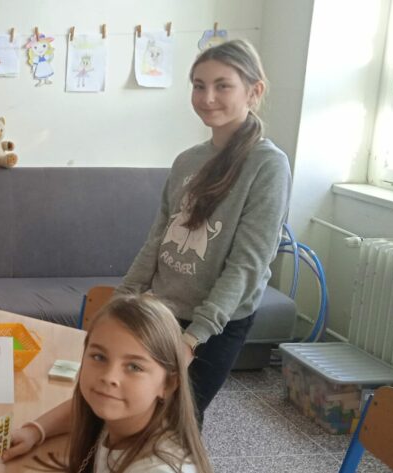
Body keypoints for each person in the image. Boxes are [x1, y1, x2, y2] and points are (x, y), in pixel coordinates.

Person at [119, 39, 291, 420]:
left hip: (215, 324)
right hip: (163, 310)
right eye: (199, 85)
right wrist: (123, 298)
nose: (207, 97)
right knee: (137, 412)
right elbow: (157, 241)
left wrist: (193, 337)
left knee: (177, 423)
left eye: (222, 85)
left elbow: (247, 265)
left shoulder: (268, 165)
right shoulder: (187, 161)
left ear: (254, 91)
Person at [0, 294, 212, 473]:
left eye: (134, 367)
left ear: (168, 384)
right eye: (99, 357)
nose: (109, 377)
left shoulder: (159, 468)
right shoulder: (124, 415)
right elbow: (81, 407)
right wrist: (36, 430)